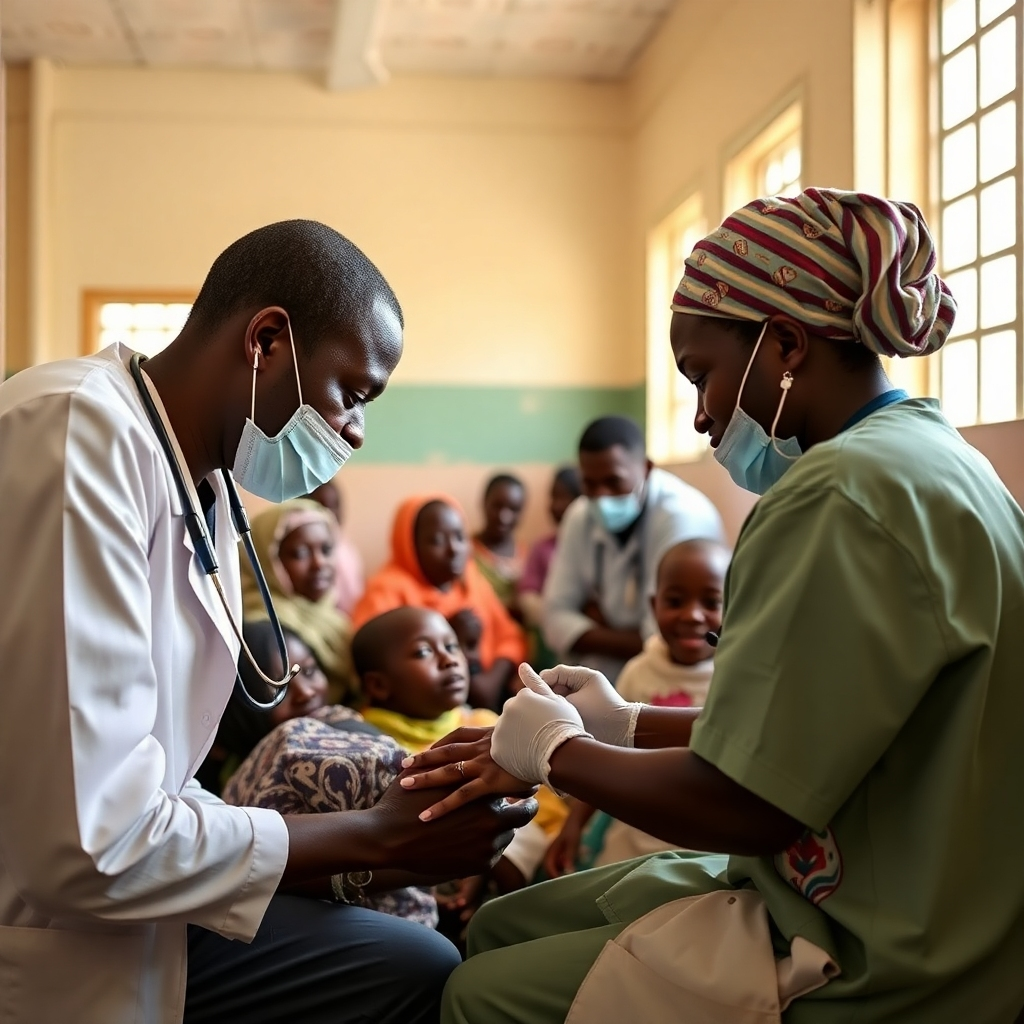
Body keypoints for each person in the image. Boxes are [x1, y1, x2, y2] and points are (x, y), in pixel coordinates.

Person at [403, 190, 1024, 1024]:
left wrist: (558, 754)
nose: (698, 416)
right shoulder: (937, 457)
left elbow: (750, 806)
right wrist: (624, 723)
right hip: (925, 884)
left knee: (478, 990)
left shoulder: (835, 496)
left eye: (703, 375)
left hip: (884, 945)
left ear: (787, 345)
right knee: (510, 921)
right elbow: (818, 729)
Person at [0, 219, 534, 1024]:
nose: (355, 430)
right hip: (51, 929)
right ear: (268, 340)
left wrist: (381, 824)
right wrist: (377, 839)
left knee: (417, 958)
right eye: (353, 393)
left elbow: (155, 781)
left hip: (138, 903)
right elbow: (88, 839)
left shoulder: (203, 488)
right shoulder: (77, 432)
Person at [353, 606, 567, 901]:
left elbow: (549, 794)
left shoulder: (485, 723)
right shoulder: (372, 745)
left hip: (549, 845)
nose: (449, 660)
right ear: (378, 685)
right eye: (423, 653)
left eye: (452, 646)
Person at [545, 537, 730, 876]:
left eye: (711, 602)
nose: (691, 615)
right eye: (675, 601)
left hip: (707, 844)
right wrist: (574, 824)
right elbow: (602, 754)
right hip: (635, 834)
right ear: (653, 604)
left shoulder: (735, 678)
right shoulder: (639, 672)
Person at [542, 414, 724, 684]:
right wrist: (632, 636)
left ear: (646, 468)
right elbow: (554, 618)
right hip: (603, 675)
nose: (601, 497)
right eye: (589, 484)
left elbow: (672, 636)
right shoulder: (580, 514)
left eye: (613, 481)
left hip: (673, 680)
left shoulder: (683, 516)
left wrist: (595, 629)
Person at [353, 494, 527, 709]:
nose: (454, 549)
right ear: (409, 544)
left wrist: (488, 682)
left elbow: (510, 636)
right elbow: (374, 664)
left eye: (460, 537)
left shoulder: (470, 579)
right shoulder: (386, 590)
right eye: (436, 540)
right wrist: (453, 640)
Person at [195, 620, 333, 794]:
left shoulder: (353, 730)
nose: (305, 693)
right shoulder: (241, 796)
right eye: (277, 689)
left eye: (309, 671)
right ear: (240, 709)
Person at [242, 498, 357, 703]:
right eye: (300, 553)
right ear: (267, 561)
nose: (319, 563)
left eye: (327, 550)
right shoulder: (267, 630)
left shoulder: (333, 618)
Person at [517, 465, 581, 630]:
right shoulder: (542, 548)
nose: (557, 505)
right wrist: (560, 620)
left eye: (565, 498)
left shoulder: (596, 546)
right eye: (553, 497)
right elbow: (527, 596)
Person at [306, 480, 365, 616]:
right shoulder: (313, 554)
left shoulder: (347, 548)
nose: (330, 513)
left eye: (335, 505)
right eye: (321, 506)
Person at [472, 472, 528, 613]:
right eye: (497, 506)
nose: (504, 516)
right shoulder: (466, 553)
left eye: (513, 509)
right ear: (484, 502)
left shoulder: (528, 556)